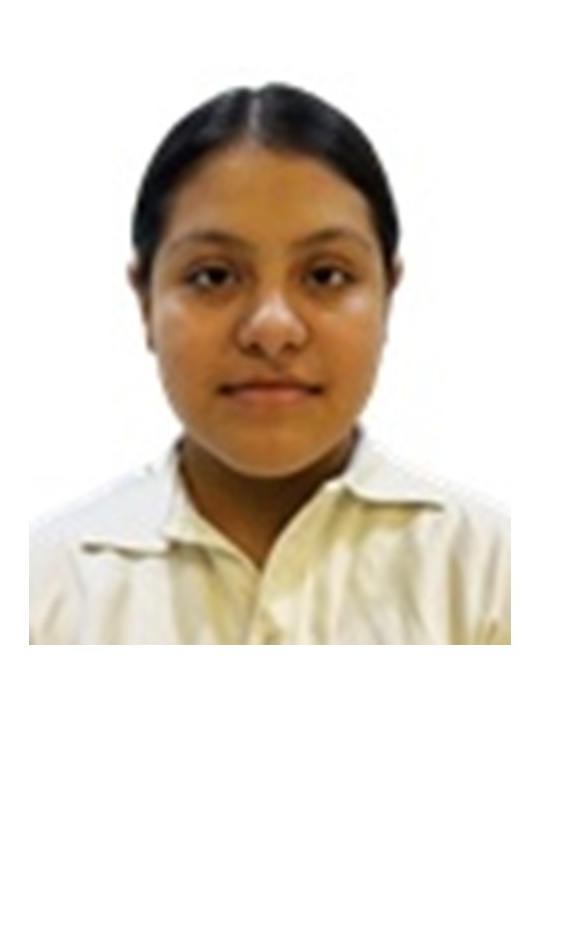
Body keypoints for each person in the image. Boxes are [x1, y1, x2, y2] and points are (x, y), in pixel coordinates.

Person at [30, 82, 510, 645]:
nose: (272, 329)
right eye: (213, 276)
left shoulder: (489, 576)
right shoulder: (45, 589)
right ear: (145, 302)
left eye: (326, 275)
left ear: (388, 297)